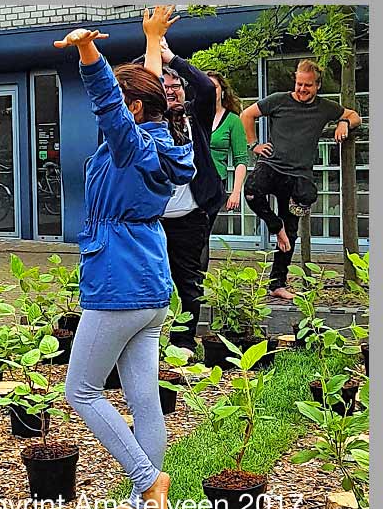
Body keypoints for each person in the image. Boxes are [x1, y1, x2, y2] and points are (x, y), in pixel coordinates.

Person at [59, 6, 194, 509]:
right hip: (151, 284)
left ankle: (147, 478)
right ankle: (148, 503)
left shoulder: (127, 142)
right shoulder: (162, 141)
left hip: (118, 284)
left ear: (134, 108)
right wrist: (152, 39)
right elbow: (143, 97)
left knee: (81, 390)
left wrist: (89, 54)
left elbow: (112, 106)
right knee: (143, 398)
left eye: (123, 105)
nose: (108, 119)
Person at [240, 59, 361, 300]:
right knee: (252, 190)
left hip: (298, 175)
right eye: (298, 84)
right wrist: (254, 144)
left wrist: (344, 123)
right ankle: (276, 227)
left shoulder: (324, 107)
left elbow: (354, 115)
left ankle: (277, 283)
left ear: (317, 86)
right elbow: (247, 114)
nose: (302, 89)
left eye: (307, 85)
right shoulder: (278, 100)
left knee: (296, 220)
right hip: (272, 166)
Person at [154, 36, 221, 358]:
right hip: (153, 219)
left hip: (191, 216)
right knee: (153, 281)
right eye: (163, 87)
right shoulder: (147, 124)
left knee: (189, 282)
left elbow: (207, 88)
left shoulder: (196, 117)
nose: (171, 91)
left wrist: (172, 58)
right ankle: (148, 341)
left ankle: (183, 341)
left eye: (175, 86)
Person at [206, 71, 248, 217]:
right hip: (190, 181)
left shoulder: (232, 120)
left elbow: (241, 159)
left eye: (215, 87)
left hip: (215, 183)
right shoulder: (193, 115)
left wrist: (235, 192)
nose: (211, 91)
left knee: (204, 228)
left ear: (222, 91)